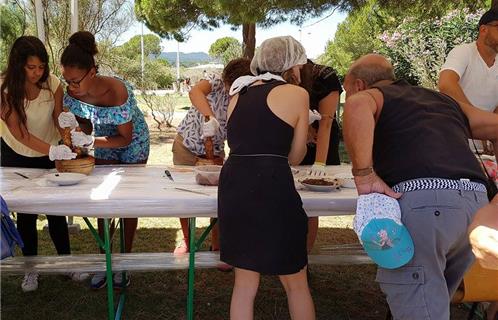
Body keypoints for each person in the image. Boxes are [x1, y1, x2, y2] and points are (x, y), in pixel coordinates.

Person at [342, 53, 498, 319]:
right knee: (431, 304)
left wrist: (364, 174)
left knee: (422, 308)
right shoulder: (443, 101)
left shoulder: (373, 96)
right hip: (474, 204)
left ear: (359, 85)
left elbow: (356, 107)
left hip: (427, 204)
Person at [218, 36, 315, 319]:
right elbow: (295, 156)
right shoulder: (297, 94)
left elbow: (235, 143)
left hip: (234, 183)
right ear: (292, 66)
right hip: (271, 183)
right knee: (296, 281)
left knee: (244, 283)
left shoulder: (239, 92)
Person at [59, 31, 150, 289]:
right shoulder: (73, 93)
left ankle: (123, 263)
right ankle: (104, 259)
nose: (71, 87)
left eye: (76, 81)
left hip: (132, 143)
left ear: (93, 72)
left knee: (128, 202)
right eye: (67, 81)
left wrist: (89, 142)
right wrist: (76, 133)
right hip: (103, 141)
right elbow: (86, 122)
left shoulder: (116, 90)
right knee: (102, 198)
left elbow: (125, 137)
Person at [0, 36, 85, 292]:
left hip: (50, 150)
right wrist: (52, 150)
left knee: (56, 210)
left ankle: (66, 263)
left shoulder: (53, 83)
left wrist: (68, 132)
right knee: (26, 215)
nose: (38, 72)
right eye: (31, 67)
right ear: (18, 65)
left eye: (41, 66)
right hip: (16, 154)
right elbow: (19, 133)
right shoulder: (4, 89)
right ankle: (31, 270)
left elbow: (58, 115)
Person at [172, 58, 252, 256]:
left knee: (218, 199)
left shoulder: (248, 94)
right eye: (230, 86)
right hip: (186, 147)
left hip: (215, 154)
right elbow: (195, 92)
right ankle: (188, 240)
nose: (231, 91)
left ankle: (218, 244)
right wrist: (210, 117)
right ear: (225, 80)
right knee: (184, 197)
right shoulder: (215, 80)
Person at [439, 8, 498, 156]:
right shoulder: (463, 52)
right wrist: (478, 119)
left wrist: (490, 130)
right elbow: (446, 83)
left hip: (487, 150)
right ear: (483, 29)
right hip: (455, 143)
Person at [298, 59, 342, 253]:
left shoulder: (326, 77)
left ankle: (304, 257)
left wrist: (319, 163)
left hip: (323, 141)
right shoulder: (280, 75)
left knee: (311, 202)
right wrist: (304, 128)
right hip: (297, 136)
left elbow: (326, 123)